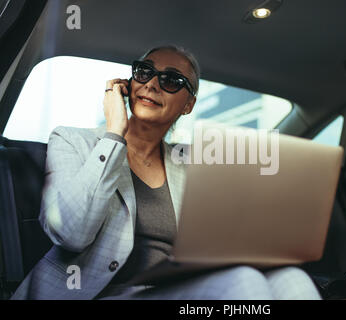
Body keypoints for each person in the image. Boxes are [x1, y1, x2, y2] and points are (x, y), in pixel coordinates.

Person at [11, 45, 322, 300]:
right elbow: (71, 233)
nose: (152, 83)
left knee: (292, 280)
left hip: (173, 292)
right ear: (128, 83)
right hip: (94, 294)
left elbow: (217, 244)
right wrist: (114, 134)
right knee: (242, 284)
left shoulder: (194, 161)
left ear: (188, 105)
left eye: (172, 80)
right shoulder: (72, 140)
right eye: (144, 72)